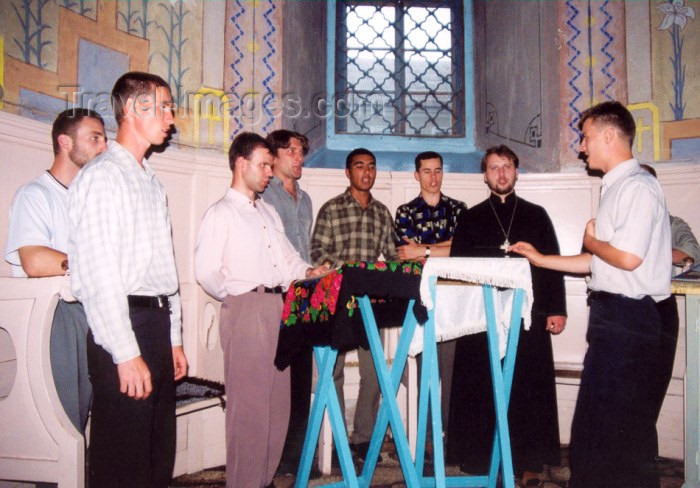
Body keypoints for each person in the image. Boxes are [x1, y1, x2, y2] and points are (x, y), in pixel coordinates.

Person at [511, 101, 671, 488]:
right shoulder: (617, 186)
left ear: (610, 136)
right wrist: (540, 258)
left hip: (630, 320)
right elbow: (597, 262)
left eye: (586, 137)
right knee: (598, 431)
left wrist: (592, 241)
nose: (582, 147)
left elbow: (628, 258)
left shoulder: (637, 187)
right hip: (616, 318)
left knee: (614, 433)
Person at [68, 72, 188, 488]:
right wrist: (124, 352)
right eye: (165, 106)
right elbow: (99, 274)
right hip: (123, 327)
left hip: (153, 325)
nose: (172, 117)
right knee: (124, 459)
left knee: (156, 455)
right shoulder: (103, 177)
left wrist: (172, 338)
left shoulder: (150, 182)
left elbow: (164, 272)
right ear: (135, 108)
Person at [195, 132, 326, 488]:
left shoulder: (266, 211)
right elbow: (206, 271)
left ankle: (263, 479)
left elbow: (286, 259)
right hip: (246, 308)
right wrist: (240, 297)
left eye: (271, 164)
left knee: (276, 406)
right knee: (249, 409)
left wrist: (308, 272)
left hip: (277, 308)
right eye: (264, 164)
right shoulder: (220, 213)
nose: (269, 172)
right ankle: (244, 482)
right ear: (241, 163)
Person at [447, 144, 567, 487]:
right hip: (481, 316)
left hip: (527, 314)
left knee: (529, 387)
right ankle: (480, 458)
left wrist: (556, 309)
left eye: (507, 167)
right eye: (494, 168)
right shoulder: (470, 218)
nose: (501, 173)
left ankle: (530, 461)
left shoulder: (537, 214)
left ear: (516, 171)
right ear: (484, 175)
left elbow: (550, 265)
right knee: (480, 384)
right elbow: (457, 269)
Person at [5, 108, 106, 436]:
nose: (104, 146)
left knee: (87, 411)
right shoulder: (35, 195)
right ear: (64, 141)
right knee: (63, 421)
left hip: (90, 309)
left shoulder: (89, 200)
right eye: (95, 138)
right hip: (55, 314)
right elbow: (34, 260)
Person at [310, 147, 398, 461]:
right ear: (348, 173)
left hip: (369, 303)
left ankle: (363, 437)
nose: (367, 172)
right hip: (335, 298)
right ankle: (334, 439)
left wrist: (383, 284)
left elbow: (393, 257)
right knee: (331, 370)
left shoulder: (382, 213)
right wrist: (344, 276)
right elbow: (317, 252)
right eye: (360, 166)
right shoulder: (331, 209)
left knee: (374, 371)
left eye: (372, 167)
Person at [394, 150, 467, 439]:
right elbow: (405, 254)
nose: (433, 177)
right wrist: (445, 247)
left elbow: (462, 249)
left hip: (454, 295)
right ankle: (424, 437)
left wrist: (424, 249)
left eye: (437, 171)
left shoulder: (459, 209)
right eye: (427, 171)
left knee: (451, 372)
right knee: (424, 369)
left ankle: (452, 438)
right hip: (421, 297)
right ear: (417, 175)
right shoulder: (405, 211)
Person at [260, 129, 317, 477]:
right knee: (276, 378)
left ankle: (297, 457)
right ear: (274, 155)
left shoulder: (306, 198)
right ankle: (275, 457)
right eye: (292, 151)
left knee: (301, 378)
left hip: (306, 294)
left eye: (302, 152)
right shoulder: (265, 196)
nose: (299, 158)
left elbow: (304, 249)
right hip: (277, 293)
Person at [640, 163, 700, 467]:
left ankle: (641, 464)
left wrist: (651, 249)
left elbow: (692, 255)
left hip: (660, 311)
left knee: (652, 390)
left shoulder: (673, 223)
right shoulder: (614, 226)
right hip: (621, 312)